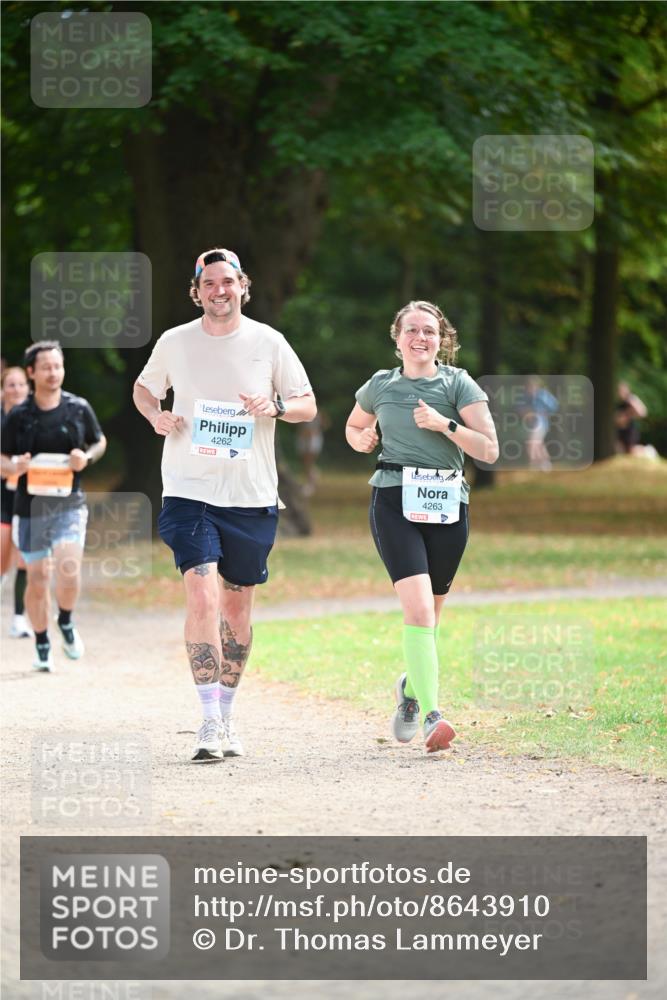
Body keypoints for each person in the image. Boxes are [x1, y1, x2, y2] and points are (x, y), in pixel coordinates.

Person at [133, 248, 316, 763]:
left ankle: (229, 714)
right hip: (189, 489)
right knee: (203, 597)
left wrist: (274, 406)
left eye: (228, 282)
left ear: (243, 286)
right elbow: (144, 391)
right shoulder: (175, 342)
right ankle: (209, 720)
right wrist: (156, 417)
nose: (219, 291)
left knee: (236, 608)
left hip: (251, 495)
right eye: (209, 283)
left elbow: (307, 404)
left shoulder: (269, 343)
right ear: (197, 291)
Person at [346, 300, 498, 753]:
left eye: (429, 331)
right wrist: (362, 438)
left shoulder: (459, 384)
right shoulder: (380, 385)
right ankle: (433, 714)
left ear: (442, 339)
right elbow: (354, 428)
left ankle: (410, 691)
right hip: (393, 499)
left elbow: (489, 450)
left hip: (448, 503)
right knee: (418, 613)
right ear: (397, 339)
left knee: (431, 619)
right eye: (411, 330)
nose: (420, 338)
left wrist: (445, 423)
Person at [1, 342, 107, 671]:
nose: (53, 372)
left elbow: (99, 441)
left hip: (69, 505)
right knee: (36, 577)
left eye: (57, 366)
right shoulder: (19, 415)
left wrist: (85, 458)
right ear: (31, 372)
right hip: (29, 509)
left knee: (68, 567)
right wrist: (14, 466)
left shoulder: (78, 408)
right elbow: (2, 458)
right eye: (45, 367)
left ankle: (65, 620)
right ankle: (42, 640)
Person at [1, 366, 31, 638]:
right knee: (3, 547)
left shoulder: (34, 417)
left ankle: (19, 618)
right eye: (11, 385)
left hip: (28, 492)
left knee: (23, 556)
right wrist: (10, 467)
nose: (16, 389)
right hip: (2, 492)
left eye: (21, 384)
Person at [520, 376, 559, 471]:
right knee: (538, 444)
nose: (530, 388)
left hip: (540, 423)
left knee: (532, 443)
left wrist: (543, 413)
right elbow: (519, 408)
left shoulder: (542, 395)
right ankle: (545, 464)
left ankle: (534, 464)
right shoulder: (526, 397)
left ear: (537, 385)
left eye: (532, 386)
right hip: (531, 424)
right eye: (528, 386)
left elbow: (554, 405)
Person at [615, 381, 648, 455]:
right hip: (620, 435)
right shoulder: (618, 405)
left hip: (630, 434)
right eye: (619, 390)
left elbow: (642, 413)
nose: (621, 393)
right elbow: (618, 421)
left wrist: (632, 400)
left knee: (631, 451)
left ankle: (647, 451)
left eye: (623, 390)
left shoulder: (631, 401)